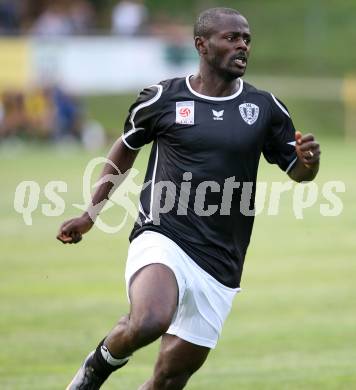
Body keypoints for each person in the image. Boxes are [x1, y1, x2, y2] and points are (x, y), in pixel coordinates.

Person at [57, 7, 321, 390]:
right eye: (231, 38)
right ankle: (93, 372)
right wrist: (90, 213)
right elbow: (125, 149)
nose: (242, 45)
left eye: (246, 38)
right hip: (164, 234)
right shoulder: (162, 99)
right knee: (150, 319)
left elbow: (298, 171)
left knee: (169, 379)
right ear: (202, 44)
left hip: (221, 261)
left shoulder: (264, 109)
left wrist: (309, 162)